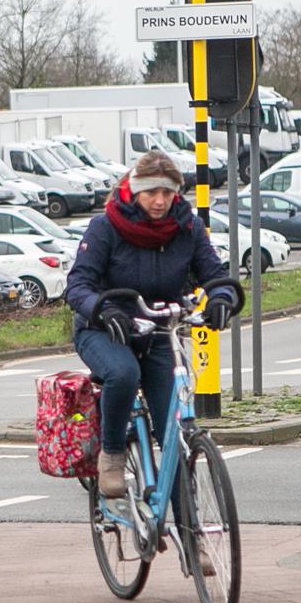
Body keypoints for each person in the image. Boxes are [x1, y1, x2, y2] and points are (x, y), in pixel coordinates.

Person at [66, 150, 241, 503]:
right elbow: (78, 285)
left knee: (172, 435)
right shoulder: (106, 227)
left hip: (159, 331)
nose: (160, 201)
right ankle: (112, 453)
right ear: (135, 191)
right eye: (151, 193)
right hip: (105, 329)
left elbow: (214, 274)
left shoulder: (187, 227)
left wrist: (222, 298)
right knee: (123, 373)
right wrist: (101, 309)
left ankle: (193, 540)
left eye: (167, 193)